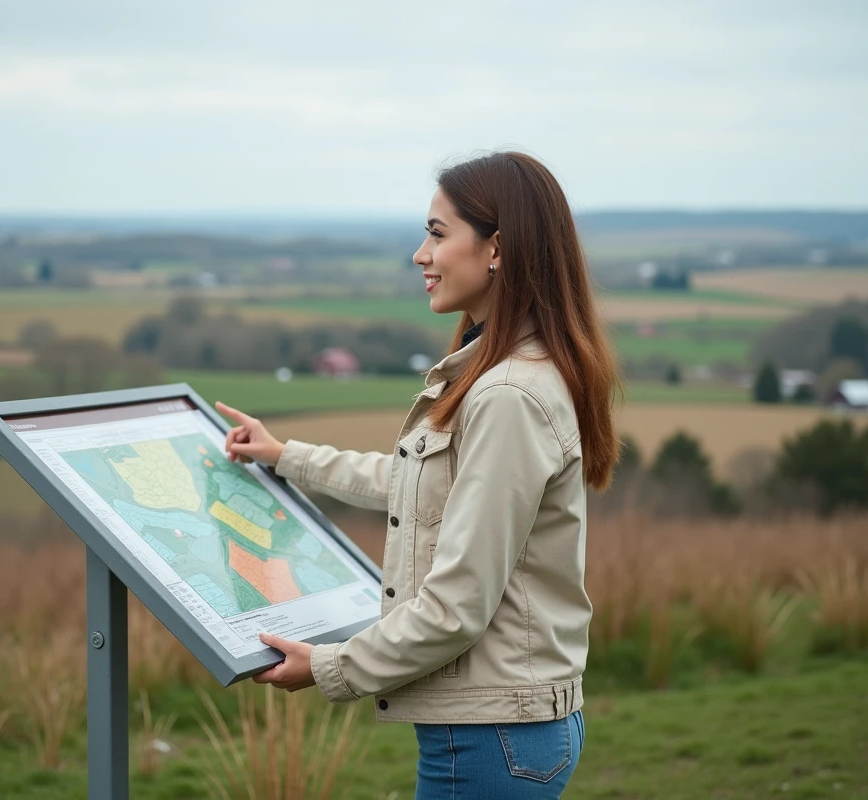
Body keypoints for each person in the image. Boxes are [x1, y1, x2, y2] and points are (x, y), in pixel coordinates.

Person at [216, 150, 620, 799]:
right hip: (505, 729)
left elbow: (457, 608)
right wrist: (285, 456)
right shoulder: (509, 372)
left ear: (497, 249)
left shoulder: (508, 396)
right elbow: (418, 483)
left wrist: (328, 668)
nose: (419, 255)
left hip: (490, 736)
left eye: (436, 233)